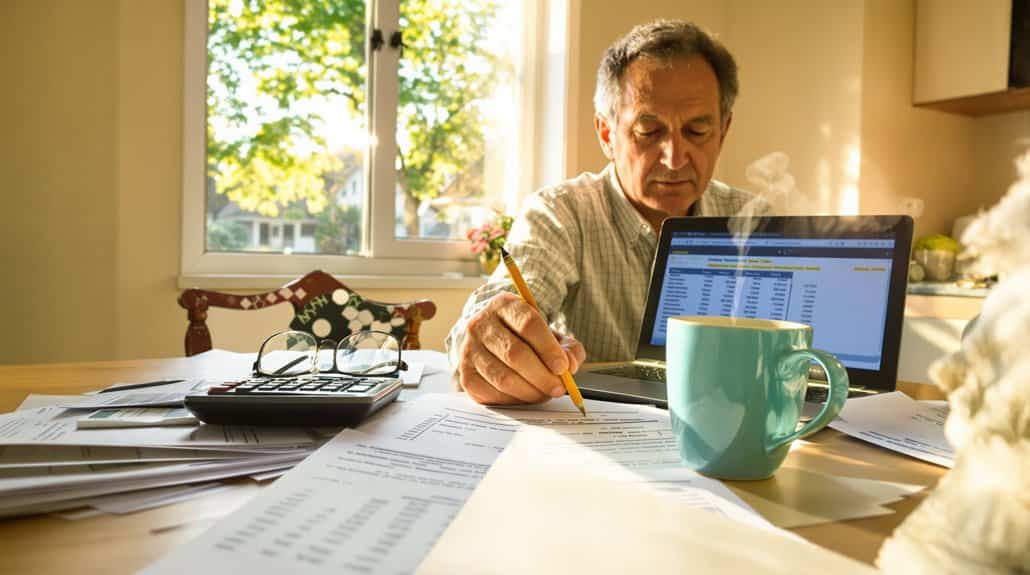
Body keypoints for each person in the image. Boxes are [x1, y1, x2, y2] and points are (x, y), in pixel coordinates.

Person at [446, 19, 763, 406]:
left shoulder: (750, 217)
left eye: (697, 132)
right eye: (648, 132)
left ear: (724, 131)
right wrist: (486, 337)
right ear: (607, 134)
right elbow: (490, 312)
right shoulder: (561, 215)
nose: (675, 157)